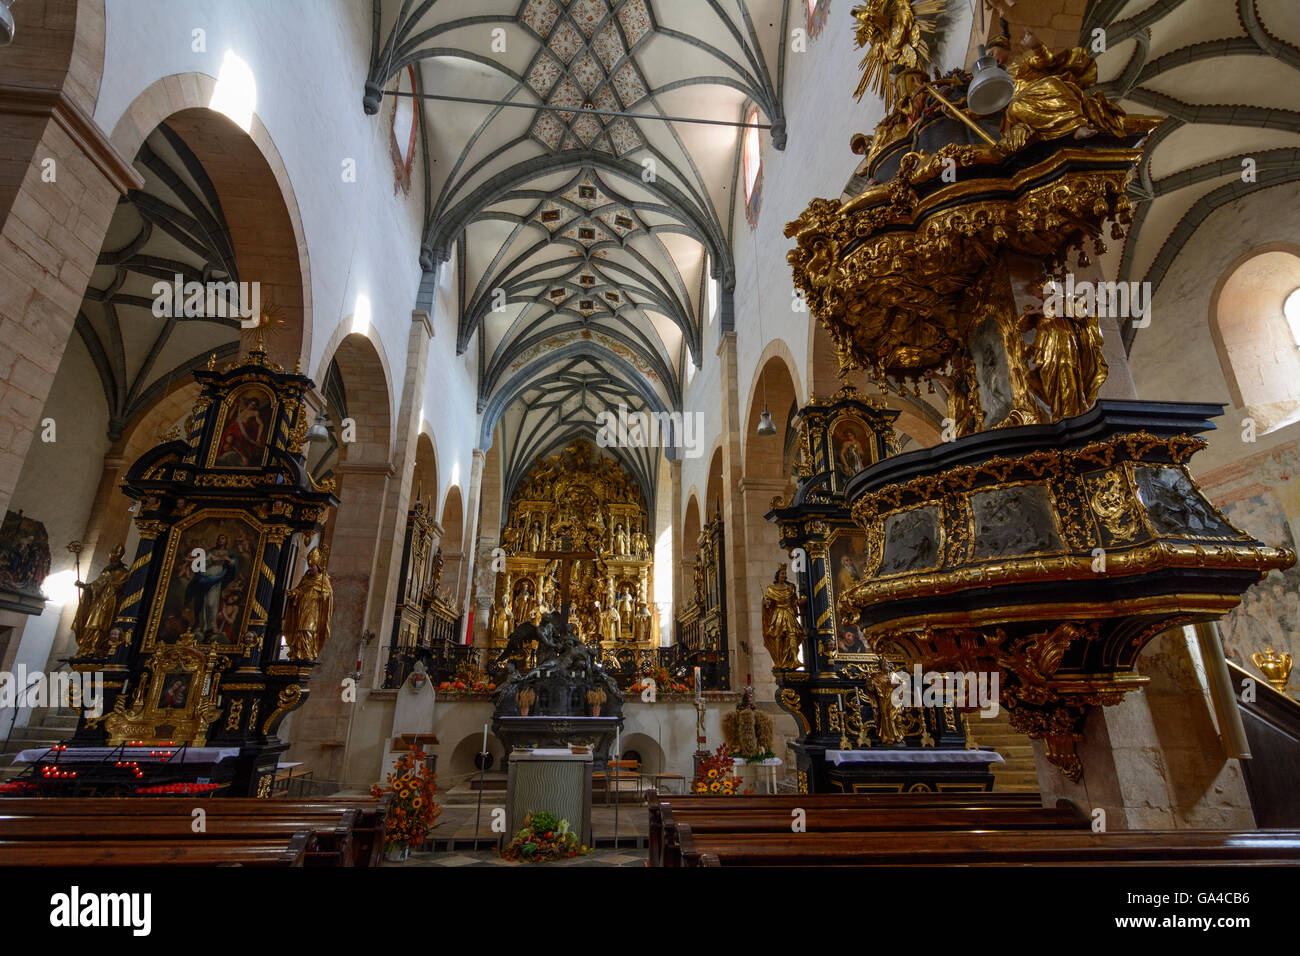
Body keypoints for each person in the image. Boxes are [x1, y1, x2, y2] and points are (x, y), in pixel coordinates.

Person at [72, 544, 130, 657]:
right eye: (111, 560)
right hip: (99, 602)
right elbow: (96, 585)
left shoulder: (124, 573)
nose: (112, 562)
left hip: (111, 602)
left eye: (114, 560)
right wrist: (84, 586)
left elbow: (122, 588)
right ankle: (85, 648)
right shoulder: (106, 572)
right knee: (91, 624)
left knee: (102, 626)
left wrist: (112, 585)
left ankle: (96, 649)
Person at [282, 546, 333, 660]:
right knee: (299, 629)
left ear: (318, 567)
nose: (311, 569)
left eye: (313, 567)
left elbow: (328, 593)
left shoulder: (323, 579)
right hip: (302, 607)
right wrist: (294, 593)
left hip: (313, 609)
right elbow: (300, 589)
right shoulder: (306, 579)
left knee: (308, 629)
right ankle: (298, 652)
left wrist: (324, 595)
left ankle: (308, 652)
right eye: (310, 566)